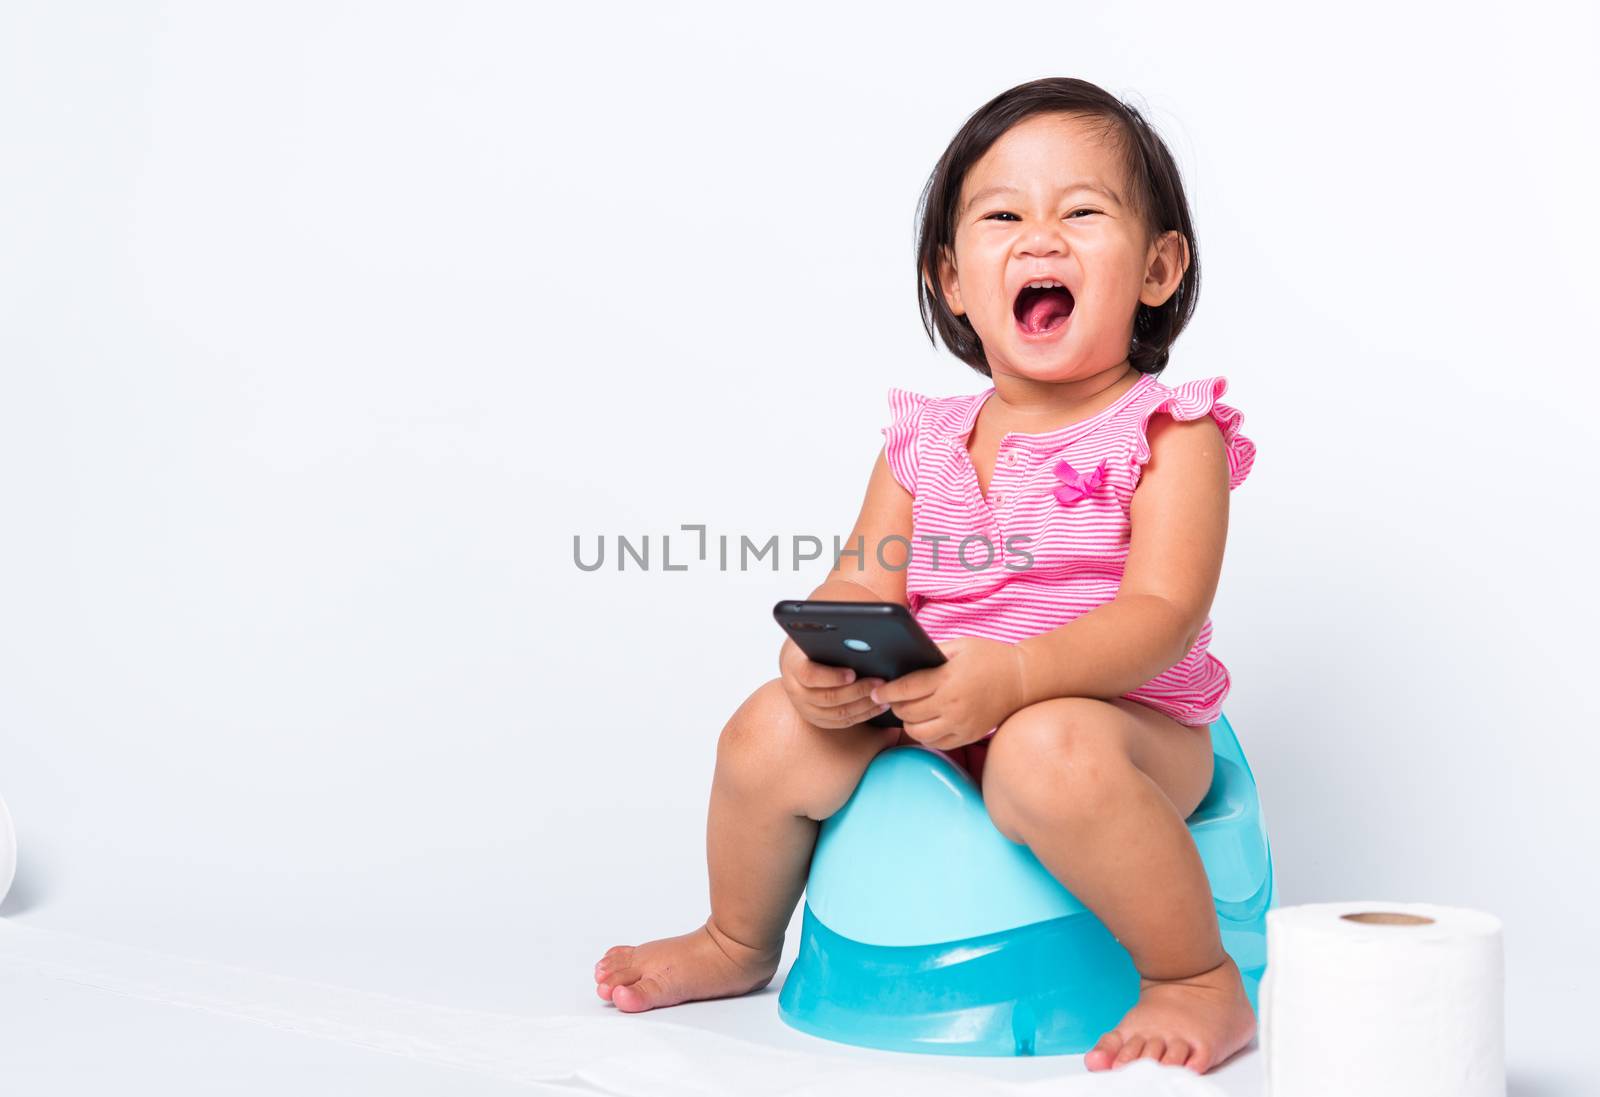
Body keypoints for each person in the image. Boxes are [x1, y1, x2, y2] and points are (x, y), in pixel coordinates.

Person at [593, 76, 1259, 1076]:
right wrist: (822, 653)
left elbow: (1162, 615)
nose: (1041, 237)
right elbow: (865, 577)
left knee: (1046, 747)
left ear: (1159, 267)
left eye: (1081, 211)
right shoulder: (926, 441)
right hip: (943, 713)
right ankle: (737, 939)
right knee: (768, 727)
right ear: (951, 280)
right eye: (1002, 216)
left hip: (1121, 729)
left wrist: (1021, 678)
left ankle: (1193, 974)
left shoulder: (1168, 432)